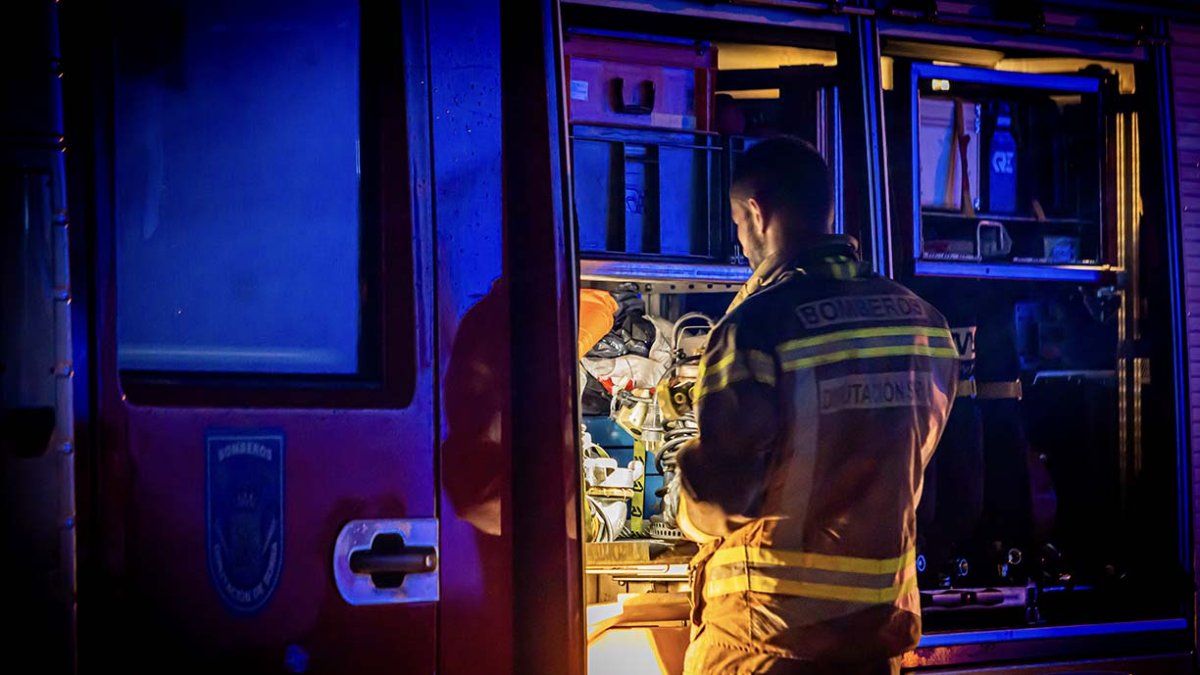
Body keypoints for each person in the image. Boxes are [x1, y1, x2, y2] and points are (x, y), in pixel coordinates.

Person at [675, 136, 959, 674]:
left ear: (756, 213)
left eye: (738, 224)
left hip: (767, 638)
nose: (740, 241)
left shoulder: (754, 327)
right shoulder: (922, 324)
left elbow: (721, 502)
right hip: (875, 637)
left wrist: (679, 498)